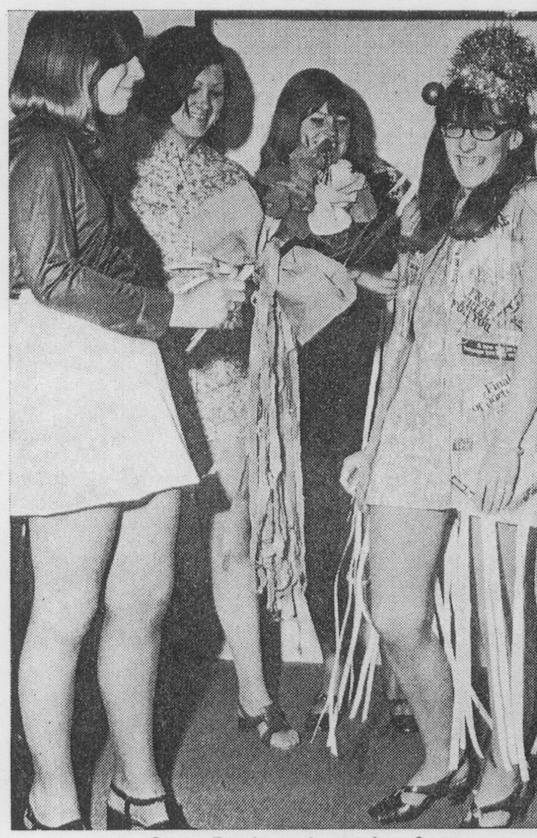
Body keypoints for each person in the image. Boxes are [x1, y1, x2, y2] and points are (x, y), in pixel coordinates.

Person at [337, 26, 537, 828]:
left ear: (514, 134)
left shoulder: (535, 201)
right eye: (454, 127)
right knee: (395, 612)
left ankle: (504, 763)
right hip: (418, 418)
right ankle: (442, 756)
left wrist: (507, 445)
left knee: (501, 615)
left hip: (505, 419)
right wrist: (374, 442)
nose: (467, 143)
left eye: (484, 128)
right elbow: (402, 338)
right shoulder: (432, 212)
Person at [10, 12, 244, 829]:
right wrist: (175, 307)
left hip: (129, 373)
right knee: (65, 612)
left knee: (145, 599)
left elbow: (97, 265)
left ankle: (137, 785)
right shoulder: (41, 145)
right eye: (123, 62)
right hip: (72, 384)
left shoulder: (90, 146)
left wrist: (184, 290)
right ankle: (51, 798)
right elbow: (49, 275)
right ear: (74, 64)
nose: (141, 77)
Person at [125, 26, 300, 751]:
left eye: (215, 91)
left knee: (233, 533)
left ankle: (255, 695)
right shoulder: (121, 168)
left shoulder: (230, 179)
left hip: (224, 377)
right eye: (190, 88)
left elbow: (266, 280)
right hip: (146, 377)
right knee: (145, 562)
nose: (203, 103)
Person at [256, 68, 407, 734]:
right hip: (306, 383)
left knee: (388, 532)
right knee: (323, 533)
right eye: (315, 118)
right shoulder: (266, 191)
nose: (329, 132)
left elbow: (404, 269)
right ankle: (337, 668)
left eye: (340, 120)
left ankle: (400, 671)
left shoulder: (384, 187)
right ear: (290, 122)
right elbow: (263, 277)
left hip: (377, 375)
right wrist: (348, 272)